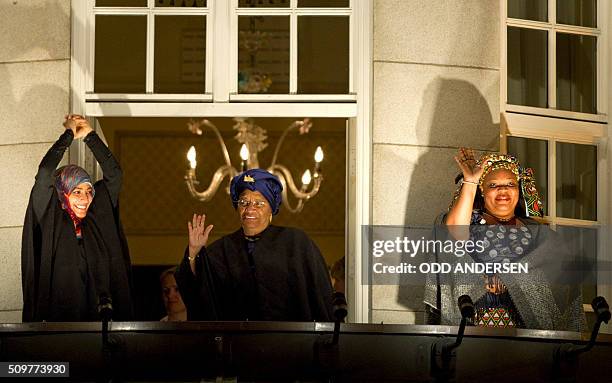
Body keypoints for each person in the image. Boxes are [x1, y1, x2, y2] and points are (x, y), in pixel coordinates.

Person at [424, 148, 585, 331]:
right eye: (493, 185)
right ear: (482, 191)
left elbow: (559, 280)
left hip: (527, 335)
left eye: (510, 184)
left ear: (519, 190)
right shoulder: (469, 224)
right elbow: (451, 237)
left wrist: (510, 280)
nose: (503, 190)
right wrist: (471, 181)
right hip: (471, 327)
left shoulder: (542, 236)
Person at [175, 168, 333, 321]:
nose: (250, 209)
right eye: (244, 202)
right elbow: (199, 295)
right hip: (236, 342)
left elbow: (321, 296)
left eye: (259, 203)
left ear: (271, 209)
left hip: (289, 342)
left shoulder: (295, 243)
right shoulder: (221, 250)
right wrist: (194, 254)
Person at [21, 115, 133, 322]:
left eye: (88, 191)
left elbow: (114, 175)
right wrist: (69, 135)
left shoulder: (96, 220)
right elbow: (45, 173)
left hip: (100, 326)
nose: (85, 199)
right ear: (63, 193)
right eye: (76, 191)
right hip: (59, 329)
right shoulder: (49, 217)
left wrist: (90, 136)